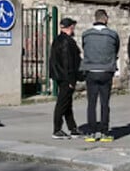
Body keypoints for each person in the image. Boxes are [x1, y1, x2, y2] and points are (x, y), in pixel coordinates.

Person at [80, 9, 120, 142]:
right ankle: (104, 131)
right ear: (106, 19)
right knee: (104, 103)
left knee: (91, 103)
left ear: (95, 18)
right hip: (106, 71)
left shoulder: (86, 34)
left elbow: (84, 48)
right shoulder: (112, 35)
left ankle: (91, 132)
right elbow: (116, 49)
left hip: (91, 70)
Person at [49, 17, 82, 139]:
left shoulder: (57, 40)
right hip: (66, 77)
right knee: (62, 103)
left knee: (67, 103)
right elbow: (68, 62)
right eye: (73, 27)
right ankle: (57, 129)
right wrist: (71, 80)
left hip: (59, 75)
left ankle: (72, 128)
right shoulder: (67, 42)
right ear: (70, 27)